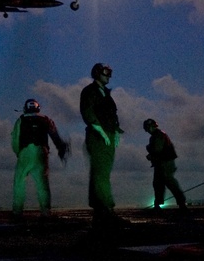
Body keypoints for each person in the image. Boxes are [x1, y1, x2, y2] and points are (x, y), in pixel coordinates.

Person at [80, 63, 124, 227]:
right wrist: (102, 132)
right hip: (98, 137)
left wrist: (116, 131)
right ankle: (106, 210)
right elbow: (88, 112)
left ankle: (100, 212)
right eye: (106, 72)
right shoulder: (90, 91)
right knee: (101, 175)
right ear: (97, 73)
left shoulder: (106, 94)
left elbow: (112, 115)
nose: (109, 76)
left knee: (100, 174)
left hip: (108, 136)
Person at [11, 98, 70, 220]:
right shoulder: (46, 119)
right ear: (38, 108)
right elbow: (55, 136)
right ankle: (46, 212)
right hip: (41, 152)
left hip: (25, 152)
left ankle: (17, 212)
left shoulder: (20, 120)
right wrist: (60, 148)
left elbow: (15, 139)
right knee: (42, 184)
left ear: (25, 108)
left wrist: (18, 153)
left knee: (19, 182)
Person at [143, 118, 188, 213]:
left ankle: (181, 203)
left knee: (169, 182)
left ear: (151, 127)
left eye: (148, 128)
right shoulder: (157, 135)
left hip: (165, 163)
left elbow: (157, 150)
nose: (147, 131)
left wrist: (150, 153)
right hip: (161, 163)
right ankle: (158, 204)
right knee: (158, 183)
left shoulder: (158, 136)